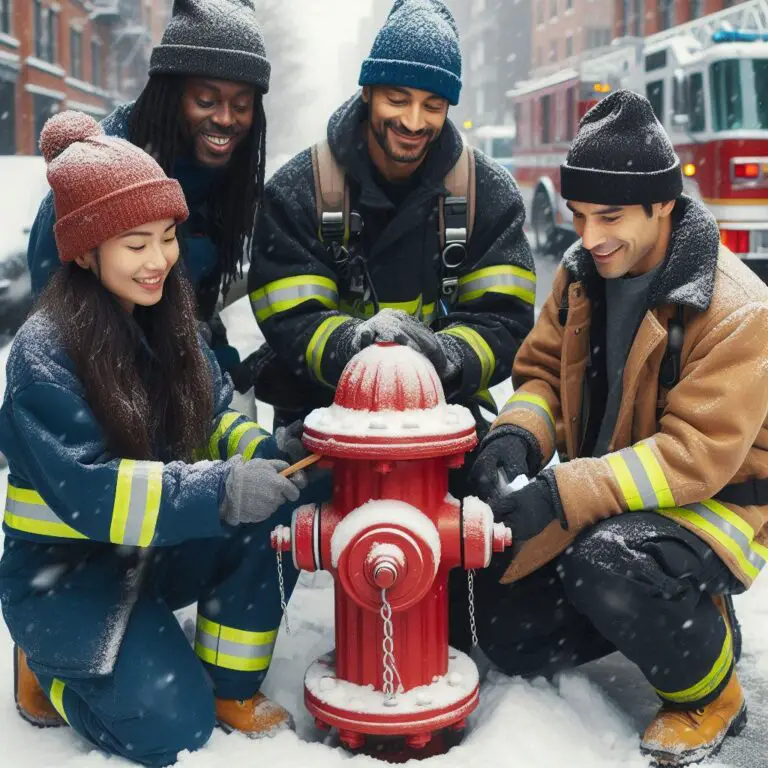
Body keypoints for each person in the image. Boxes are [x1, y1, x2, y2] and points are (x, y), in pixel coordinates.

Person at [457, 89, 768, 766]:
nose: (590, 237)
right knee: (508, 629)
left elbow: (693, 458)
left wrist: (562, 494)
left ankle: (709, 684)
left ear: (663, 203)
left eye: (610, 216)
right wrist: (517, 438)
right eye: (578, 216)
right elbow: (540, 377)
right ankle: (657, 610)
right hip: (608, 497)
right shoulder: (579, 279)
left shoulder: (738, 308)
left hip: (709, 508)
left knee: (607, 564)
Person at [1, 111, 317, 767]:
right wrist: (221, 490)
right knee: (169, 730)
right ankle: (49, 671)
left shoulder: (169, 321)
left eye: (168, 237)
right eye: (135, 243)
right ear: (86, 250)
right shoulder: (43, 357)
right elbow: (93, 494)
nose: (159, 261)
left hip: (149, 549)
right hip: (65, 577)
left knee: (264, 510)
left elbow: (215, 417)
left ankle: (229, 686)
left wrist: (258, 457)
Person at [245, 0, 534, 446]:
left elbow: (505, 319)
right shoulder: (298, 191)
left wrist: (447, 356)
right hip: (320, 419)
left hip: (445, 419)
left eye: (432, 105)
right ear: (367, 91)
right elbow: (288, 317)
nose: (413, 122)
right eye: (397, 99)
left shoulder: (488, 195)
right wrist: (356, 348)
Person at [27, 0, 269, 386]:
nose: (226, 118)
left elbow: (197, 302)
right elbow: (56, 312)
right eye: (206, 101)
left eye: (241, 105)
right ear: (171, 94)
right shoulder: (103, 167)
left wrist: (219, 365)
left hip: (183, 374)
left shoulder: (226, 177)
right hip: (107, 388)